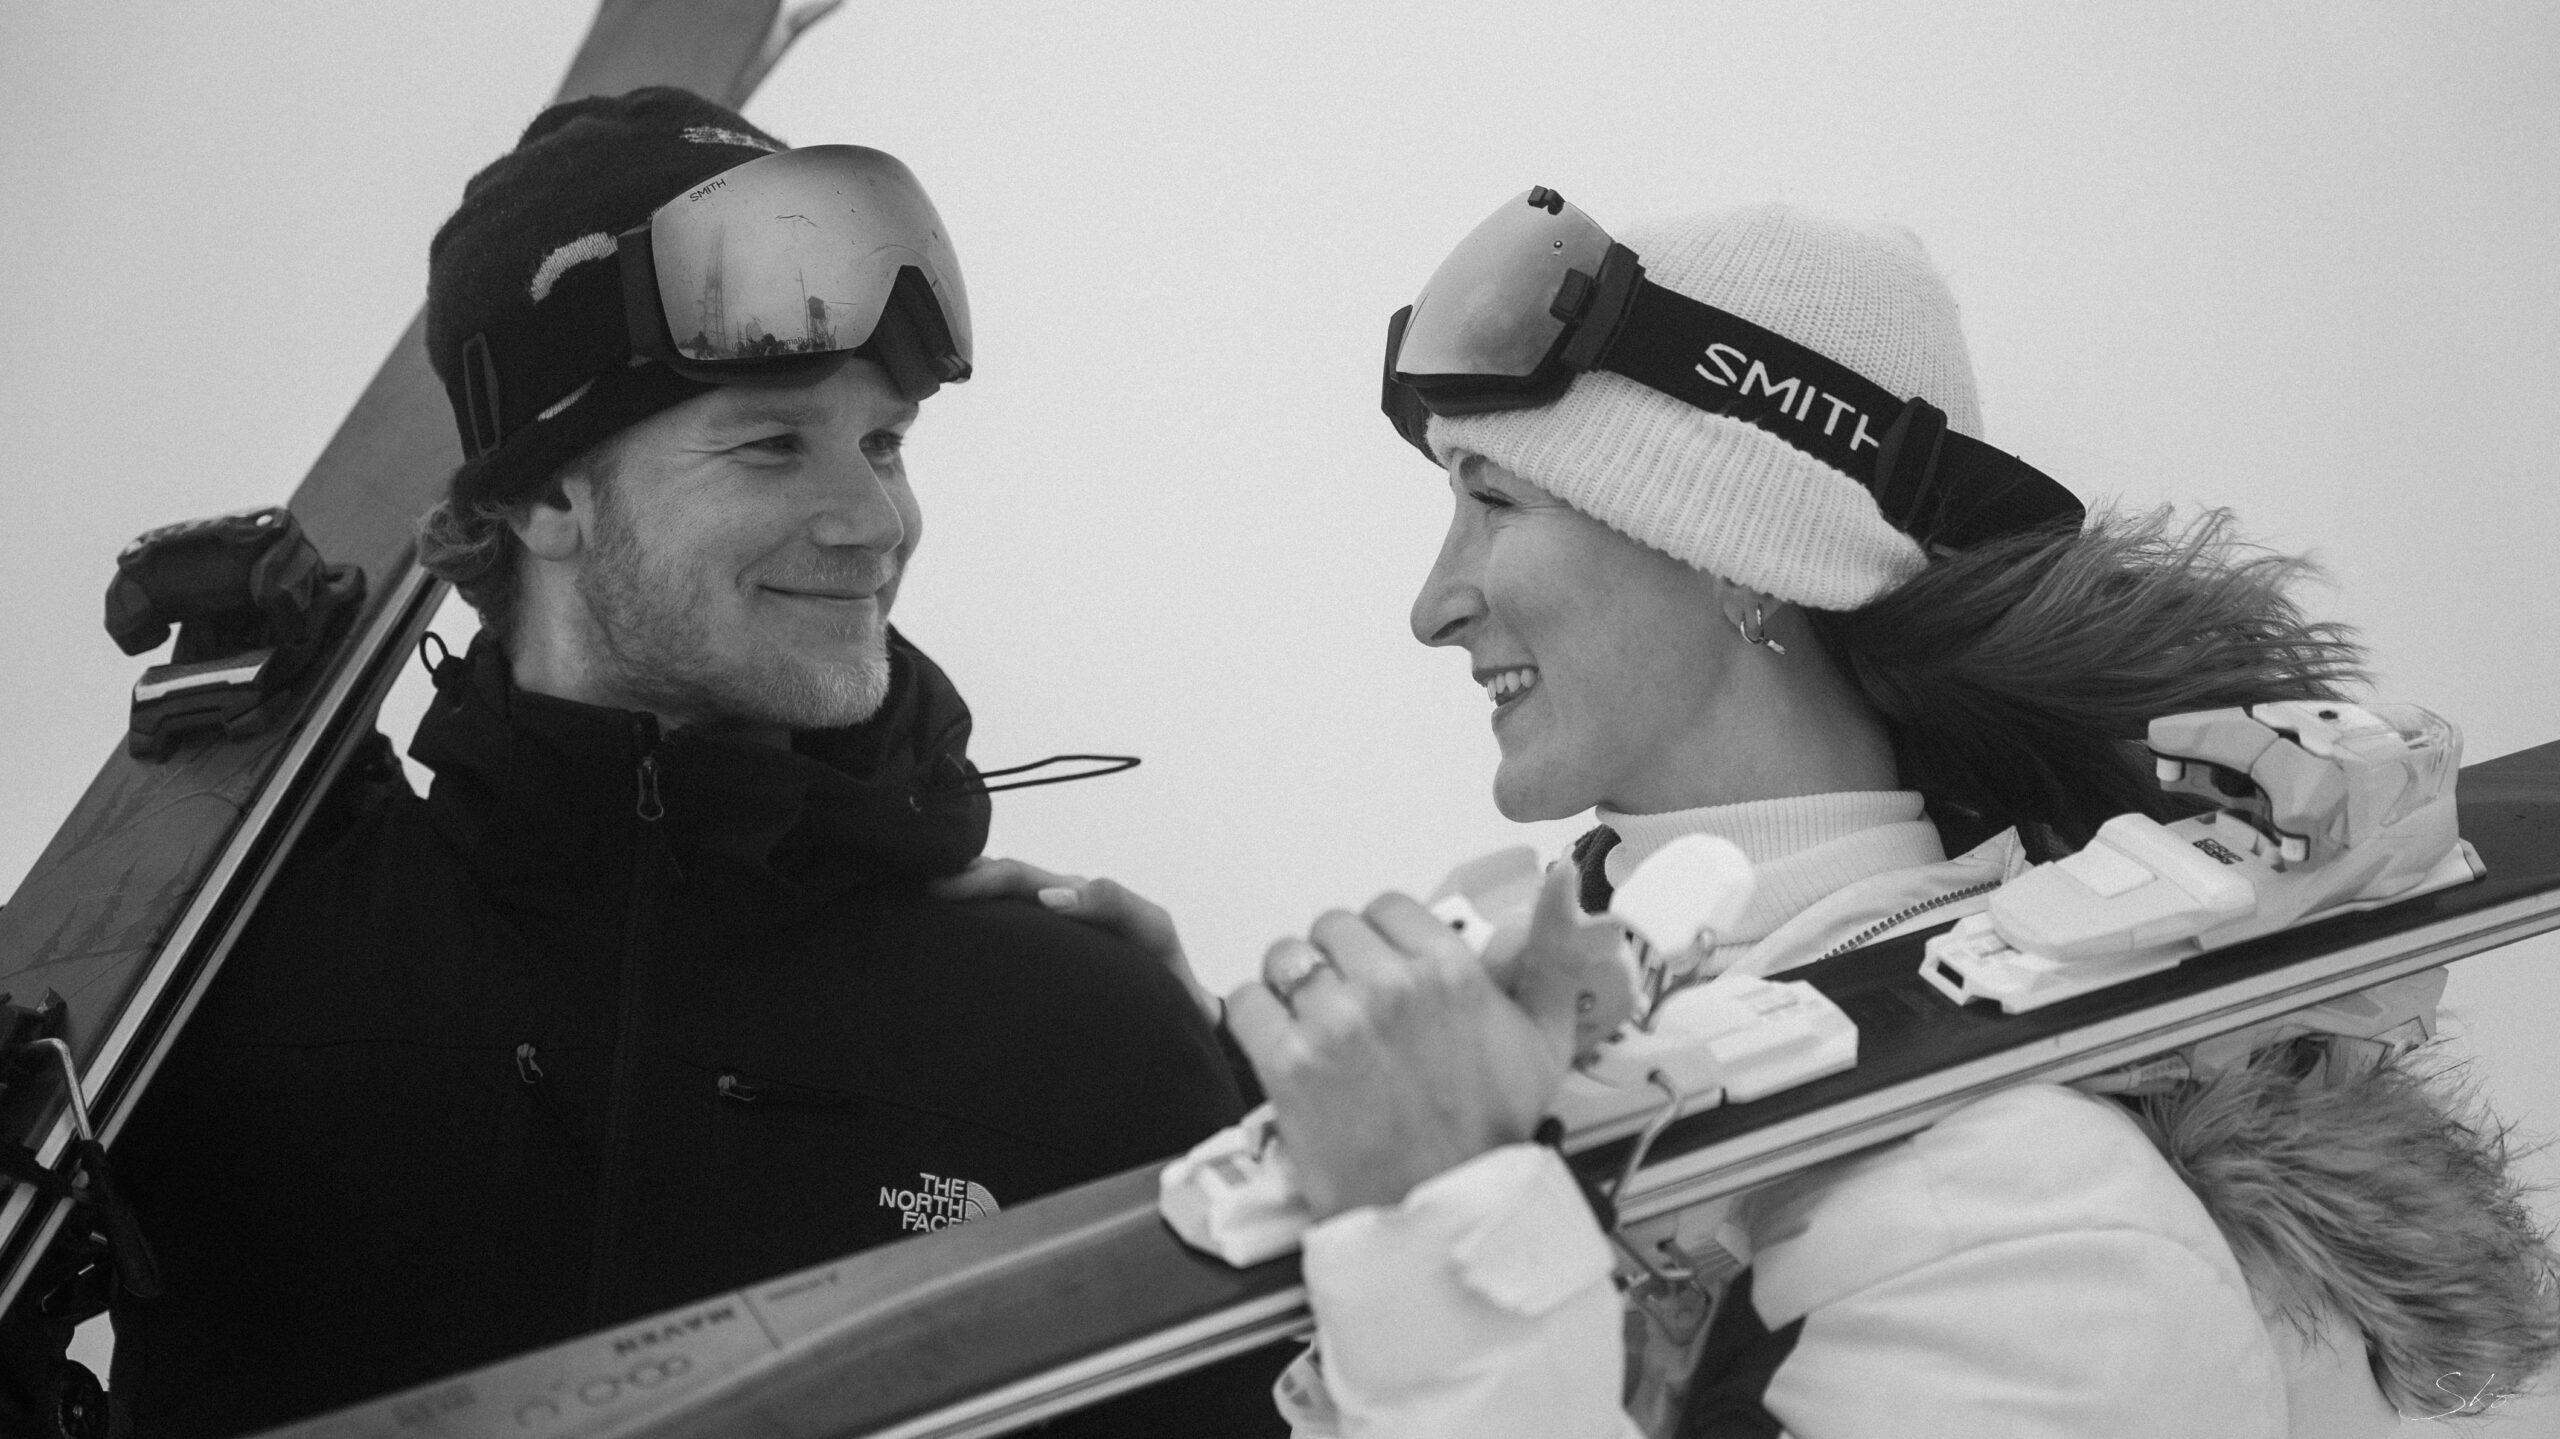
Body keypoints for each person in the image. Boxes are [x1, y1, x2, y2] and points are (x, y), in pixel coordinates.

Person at [1002, 197, 2558, 1436]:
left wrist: (1452, 1250)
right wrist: (1264, 1109)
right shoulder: (1632, 1053)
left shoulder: (2017, 1208)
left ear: (1740, 550)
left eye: (1495, 500)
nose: (1433, 603)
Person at [70, 89, 1287, 1438]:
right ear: (546, 496)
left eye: (884, 442)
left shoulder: (1076, 1037)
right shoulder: (222, 975)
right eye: (773, 444)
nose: (874, 520)